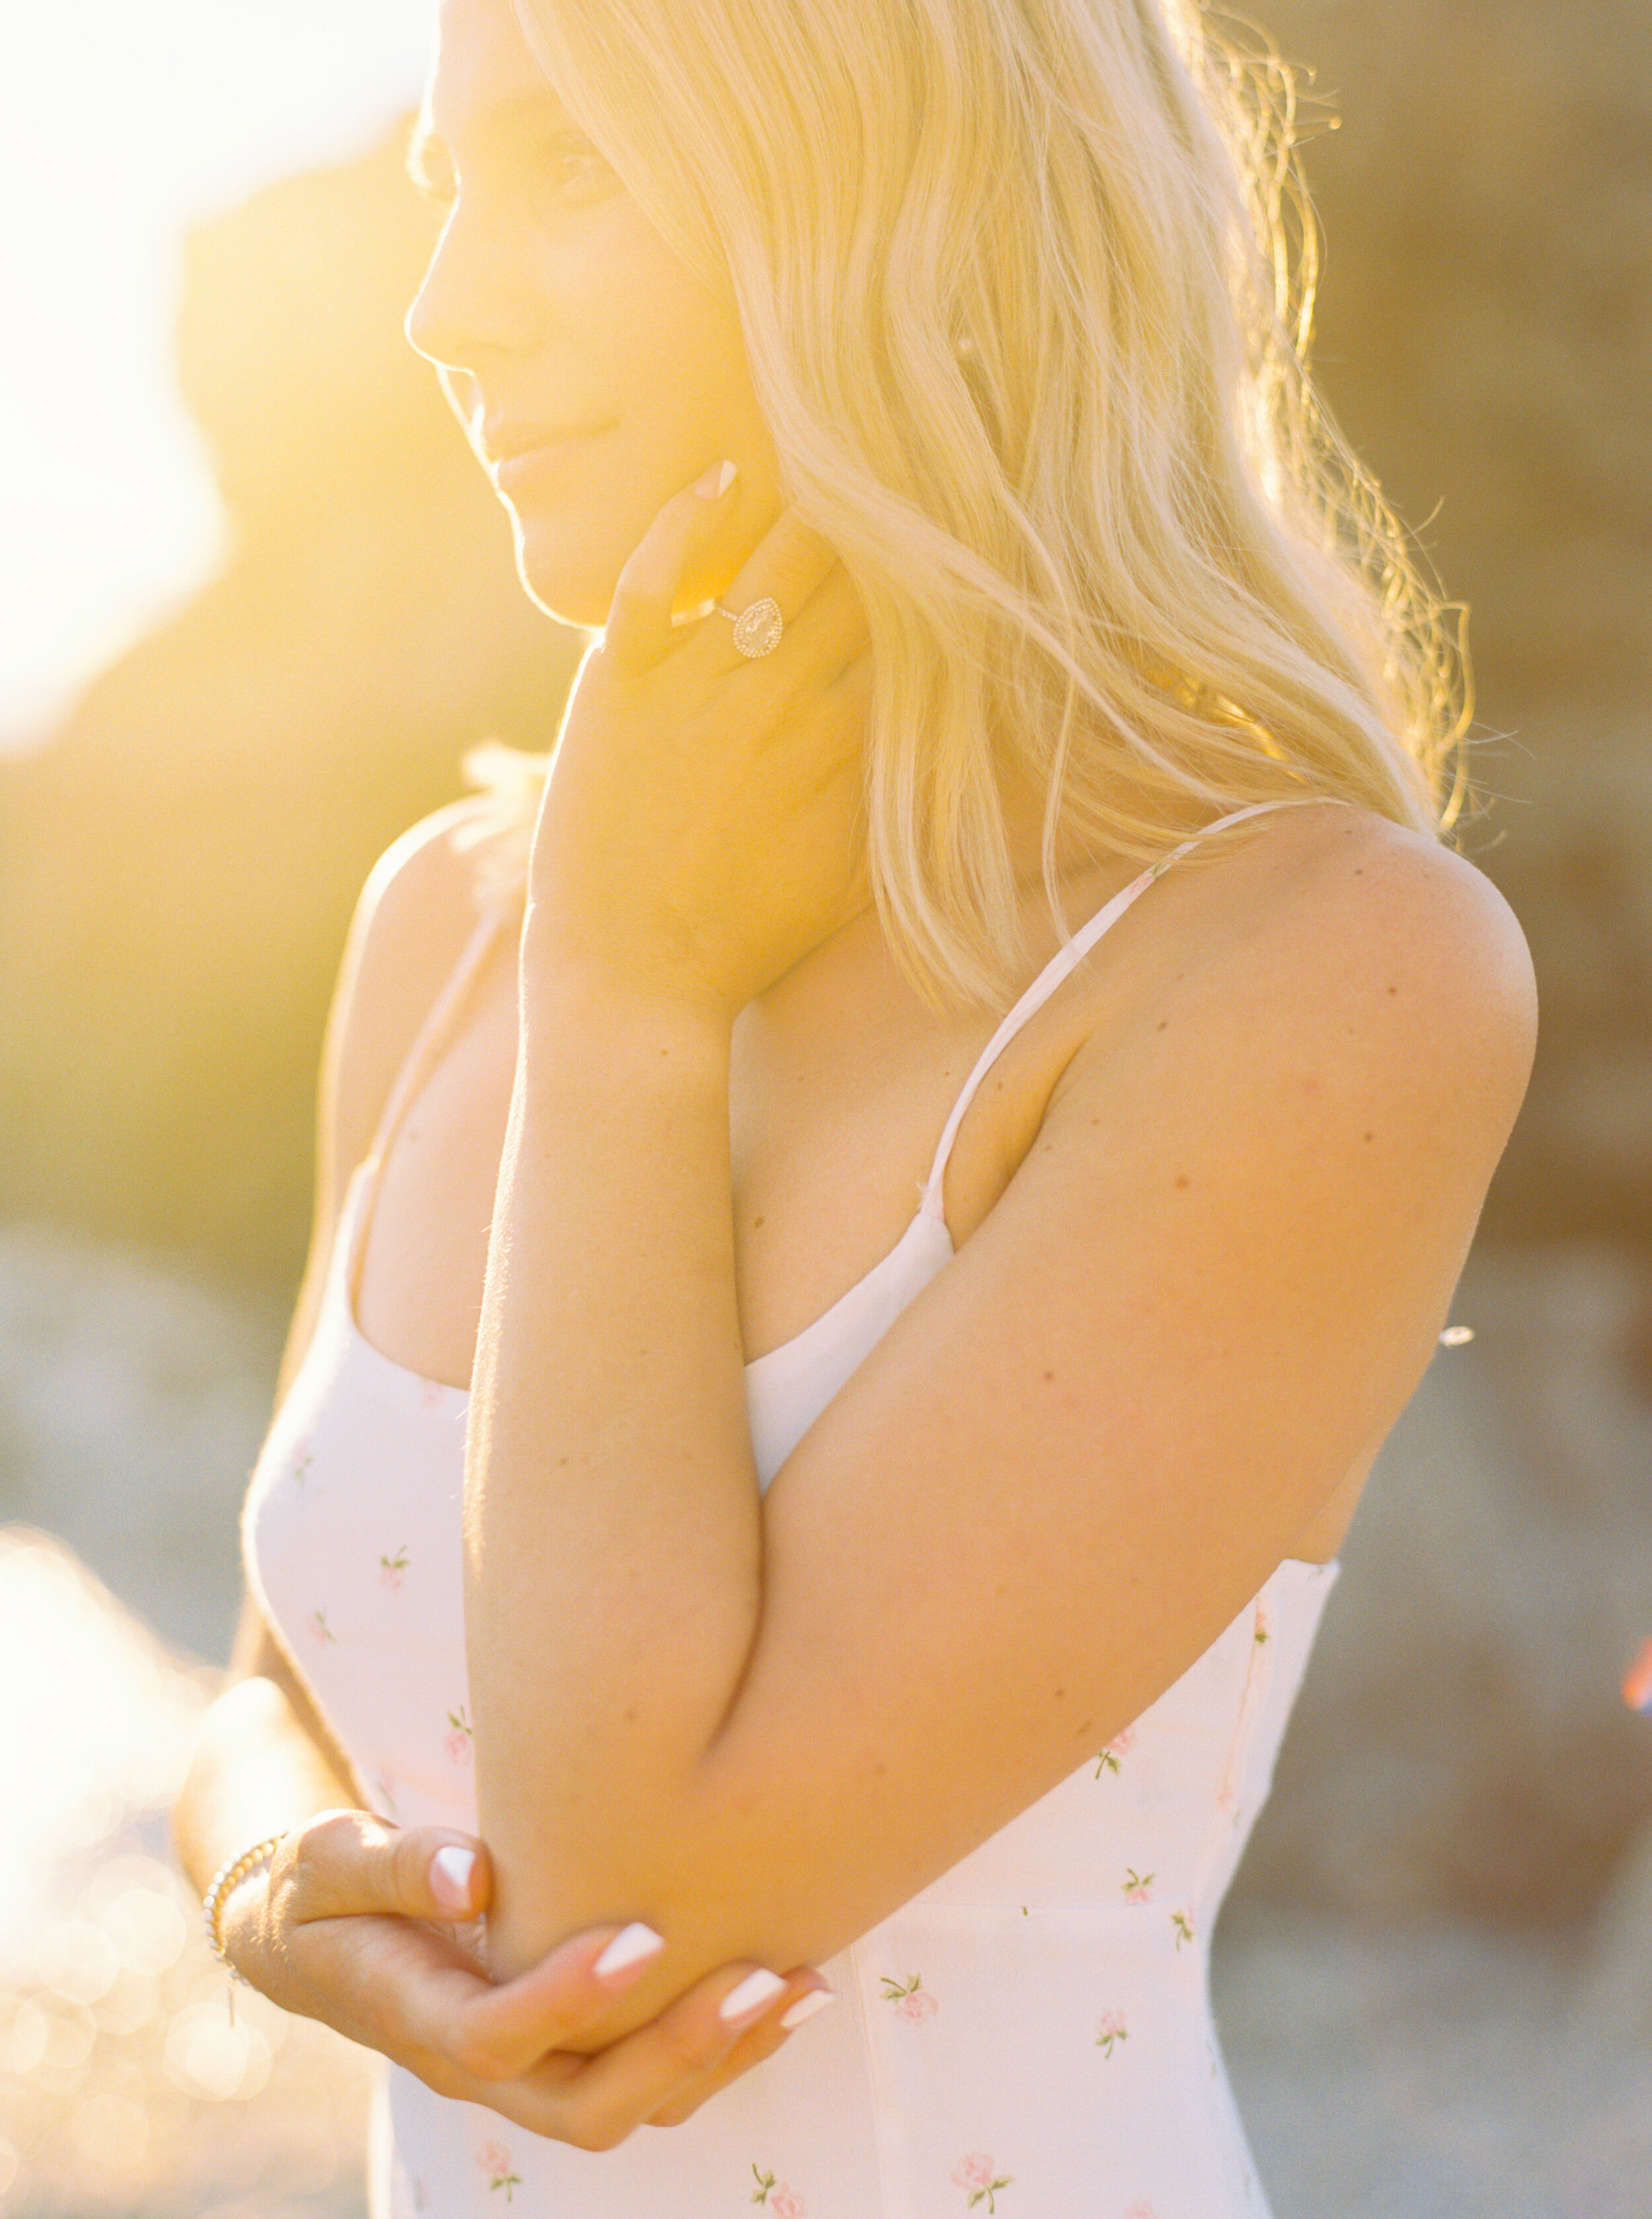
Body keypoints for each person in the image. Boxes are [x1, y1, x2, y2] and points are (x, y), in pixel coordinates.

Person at [173, 0, 1537, 2209]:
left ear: (901, 213)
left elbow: (626, 1893)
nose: (438, 312)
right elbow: (286, 1680)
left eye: (571, 170)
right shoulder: (447, 918)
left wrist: (630, 1007)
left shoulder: (1318, 969)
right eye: (440, 194)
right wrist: (269, 1898)